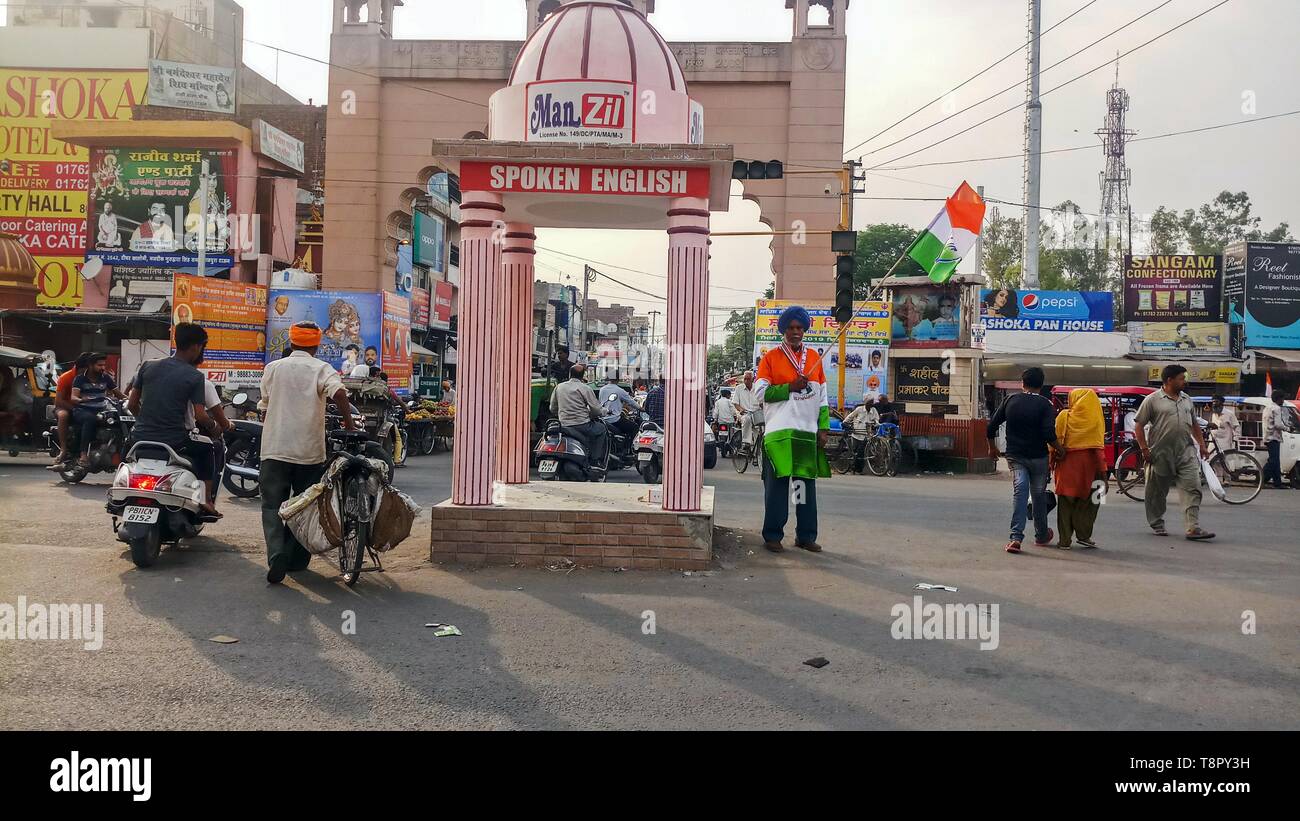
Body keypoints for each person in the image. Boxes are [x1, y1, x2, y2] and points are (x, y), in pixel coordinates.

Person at [259, 321, 359, 584]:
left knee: (271, 505)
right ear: (316, 345)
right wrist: (349, 425)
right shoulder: (321, 368)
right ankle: (296, 559)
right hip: (308, 451)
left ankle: (276, 553)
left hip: (274, 448)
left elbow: (265, 407)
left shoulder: (273, 368)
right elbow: (338, 393)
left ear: (291, 343)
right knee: (303, 506)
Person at [753, 305, 830, 553]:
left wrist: (824, 427)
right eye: (791, 328)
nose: (796, 332)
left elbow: (823, 397)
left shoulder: (815, 360)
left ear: (805, 330)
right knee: (777, 486)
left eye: (800, 328)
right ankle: (773, 535)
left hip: (806, 433)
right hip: (778, 434)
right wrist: (790, 387)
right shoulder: (771, 358)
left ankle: (805, 535)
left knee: (804, 487)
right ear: (784, 331)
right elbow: (759, 394)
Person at [127, 324, 222, 518]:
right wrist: (215, 427)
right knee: (208, 450)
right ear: (196, 347)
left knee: (125, 456)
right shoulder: (195, 376)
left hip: (140, 437)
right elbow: (200, 415)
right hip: (175, 440)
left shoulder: (148, 366)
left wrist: (144, 421)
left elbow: (132, 404)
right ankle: (205, 499)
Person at [1133, 364, 1214, 540]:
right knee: (1156, 492)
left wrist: (1201, 445)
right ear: (1169, 380)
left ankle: (1193, 527)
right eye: (1181, 378)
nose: (1184, 382)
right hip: (1160, 452)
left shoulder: (1187, 400)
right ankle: (1157, 523)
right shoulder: (1152, 400)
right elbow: (1138, 425)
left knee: (1193, 487)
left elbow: (1194, 424)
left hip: (1186, 452)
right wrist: (1144, 449)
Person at [987, 367, 1058, 553]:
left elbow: (991, 426)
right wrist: (1061, 450)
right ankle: (1042, 535)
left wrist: (991, 447)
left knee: (1020, 491)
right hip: (1039, 458)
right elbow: (1048, 434)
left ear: (1022, 383)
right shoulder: (1046, 405)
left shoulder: (1011, 400)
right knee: (1038, 495)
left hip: (1015, 456)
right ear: (1041, 385)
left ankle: (1015, 538)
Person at [1052, 388, 1106, 549]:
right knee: (1095, 500)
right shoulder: (1096, 419)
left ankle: (1064, 540)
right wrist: (1103, 476)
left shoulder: (1063, 416)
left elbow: (1054, 440)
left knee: (1065, 502)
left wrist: (1052, 461)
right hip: (1092, 468)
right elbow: (1098, 449)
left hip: (1067, 465)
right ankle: (1084, 535)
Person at [549, 363, 607, 472]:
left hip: (563, 424)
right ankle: (595, 460)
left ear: (570, 374)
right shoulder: (585, 388)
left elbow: (553, 408)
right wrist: (604, 411)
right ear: (582, 376)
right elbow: (596, 410)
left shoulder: (559, 387)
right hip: (582, 425)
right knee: (601, 429)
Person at [70, 353, 124, 466]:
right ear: (90, 365)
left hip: (101, 410)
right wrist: (80, 400)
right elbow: (73, 397)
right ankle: (83, 454)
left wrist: (132, 400)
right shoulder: (80, 379)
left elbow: (119, 395)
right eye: (99, 365)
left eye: (104, 365)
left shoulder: (106, 377)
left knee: (118, 420)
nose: (103, 368)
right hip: (82, 410)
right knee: (90, 419)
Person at [48, 352, 93, 467]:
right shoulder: (66, 377)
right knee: (63, 416)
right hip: (64, 407)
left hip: (85, 409)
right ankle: (63, 450)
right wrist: (75, 408)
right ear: (82, 368)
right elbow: (59, 401)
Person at [1263, 392, 1292, 489]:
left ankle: (1277, 482)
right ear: (1278, 399)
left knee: (1275, 461)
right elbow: (1278, 425)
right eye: (1282, 399)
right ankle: (1262, 478)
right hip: (1274, 437)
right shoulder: (1277, 408)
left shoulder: (1267, 408)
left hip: (1267, 437)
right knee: (1273, 461)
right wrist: (1288, 428)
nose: (1283, 401)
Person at [732, 370, 762, 448]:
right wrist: (741, 409)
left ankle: (758, 449)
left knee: (761, 428)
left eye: (748, 379)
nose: (746, 381)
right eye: (745, 379)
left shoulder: (757, 388)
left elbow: (762, 402)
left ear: (752, 379)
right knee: (747, 419)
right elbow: (735, 403)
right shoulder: (739, 388)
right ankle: (746, 442)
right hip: (743, 413)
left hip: (756, 413)